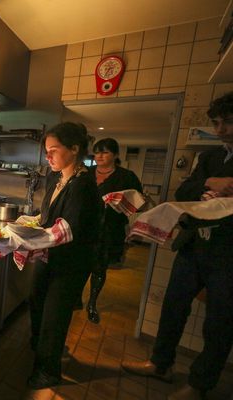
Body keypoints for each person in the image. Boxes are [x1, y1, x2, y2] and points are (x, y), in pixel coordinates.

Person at [121, 91, 233, 400]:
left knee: (220, 323)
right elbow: (185, 188)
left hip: (227, 255)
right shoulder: (210, 157)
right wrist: (212, 183)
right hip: (194, 244)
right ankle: (160, 363)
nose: (221, 128)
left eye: (228, 122)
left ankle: (199, 385)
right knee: (173, 307)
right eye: (217, 122)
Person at [26, 122, 101, 390]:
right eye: (46, 151)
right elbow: (49, 217)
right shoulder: (54, 178)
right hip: (50, 256)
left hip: (71, 262)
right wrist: (31, 221)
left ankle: (49, 371)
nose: (48, 157)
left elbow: (69, 228)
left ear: (74, 149)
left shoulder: (83, 185)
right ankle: (41, 351)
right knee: (36, 301)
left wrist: (28, 238)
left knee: (54, 316)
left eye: (53, 150)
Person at [85, 138, 142, 324]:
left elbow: (138, 203)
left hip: (110, 228)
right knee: (79, 263)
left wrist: (121, 201)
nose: (99, 156)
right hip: (85, 227)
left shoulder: (126, 176)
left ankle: (92, 303)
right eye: (97, 152)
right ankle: (76, 298)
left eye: (105, 152)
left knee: (99, 267)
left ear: (116, 155)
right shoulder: (86, 172)